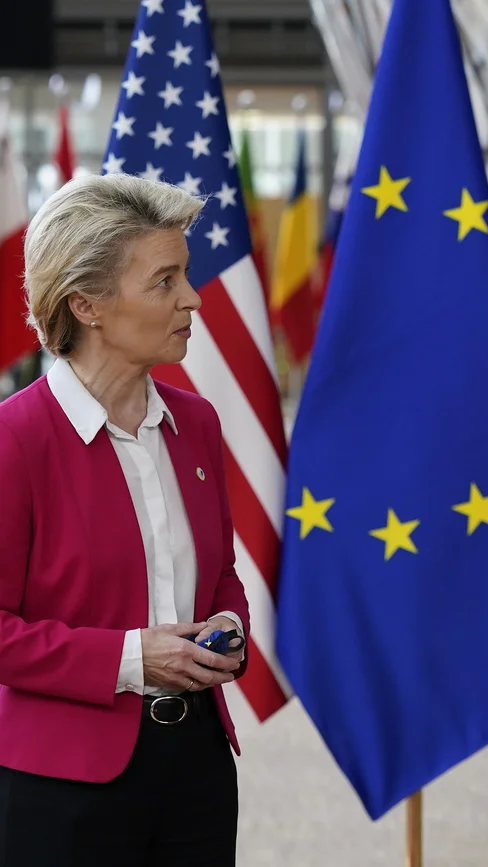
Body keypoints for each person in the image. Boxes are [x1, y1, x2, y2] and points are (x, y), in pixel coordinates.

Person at [0, 173, 249, 865]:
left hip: (197, 768)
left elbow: (221, 573)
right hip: (61, 785)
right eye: (164, 280)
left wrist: (227, 626)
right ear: (87, 305)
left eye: (185, 275)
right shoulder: (13, 441)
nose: (192, 298)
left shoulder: (195, 423)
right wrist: (135, 658)